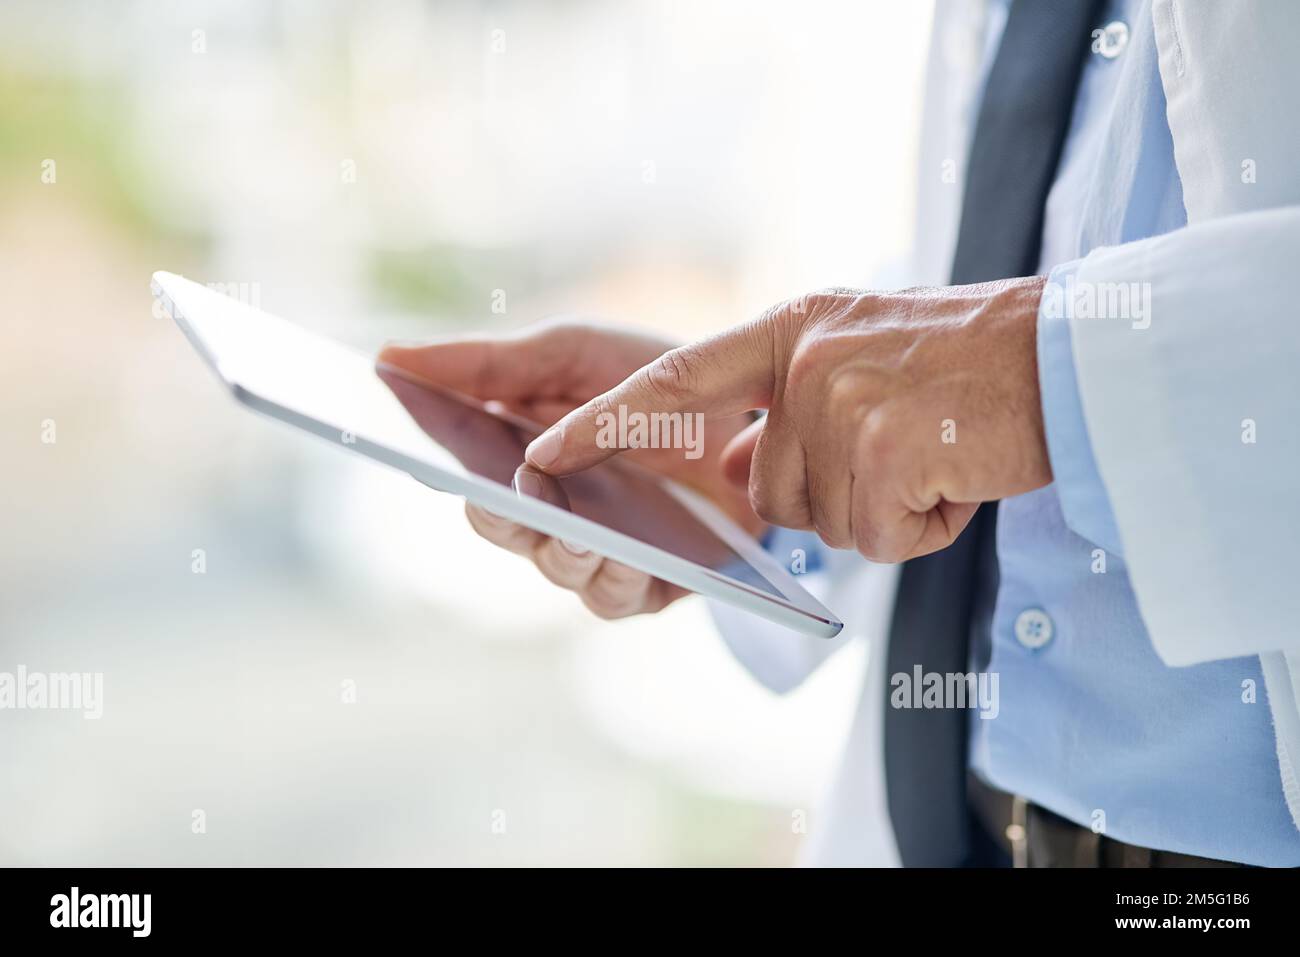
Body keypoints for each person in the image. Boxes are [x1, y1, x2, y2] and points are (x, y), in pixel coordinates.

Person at [380, 0, 1300, 867]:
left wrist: (1058, 369)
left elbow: (1029, 339)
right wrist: (751, 460)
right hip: (958, 828)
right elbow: (1006, 257)